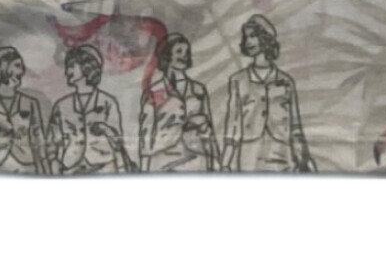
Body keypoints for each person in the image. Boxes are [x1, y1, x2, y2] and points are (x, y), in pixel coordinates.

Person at [221, 16, 313, 172]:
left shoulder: (286, 81)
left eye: (253, 36)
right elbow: (233, 125)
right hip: (249, 153)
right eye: (246, 37)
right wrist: (225, 164)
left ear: (265, 39)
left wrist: (303, 159)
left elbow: (295, 126)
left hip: (282, 152)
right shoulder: (238, 80)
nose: (248, 41)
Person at [139, 33, 219, 171]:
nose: (184, 55)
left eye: (187, 52)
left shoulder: (199, 89)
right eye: (179, 51)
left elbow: (209, 131)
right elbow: (145, 138)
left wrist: (214, 164)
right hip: (163, 159)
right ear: (167, 54)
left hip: (196, 159)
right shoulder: (153, 91)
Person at [48, 43, 133, 173]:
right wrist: (54, 167)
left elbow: (118, 141)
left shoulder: (107, 101)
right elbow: (51, 142)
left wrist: (105, 129)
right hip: (71, 168)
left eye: (72, 66)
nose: (67, 72)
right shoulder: (61, 105)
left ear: (87, 67)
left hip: (103, 167)